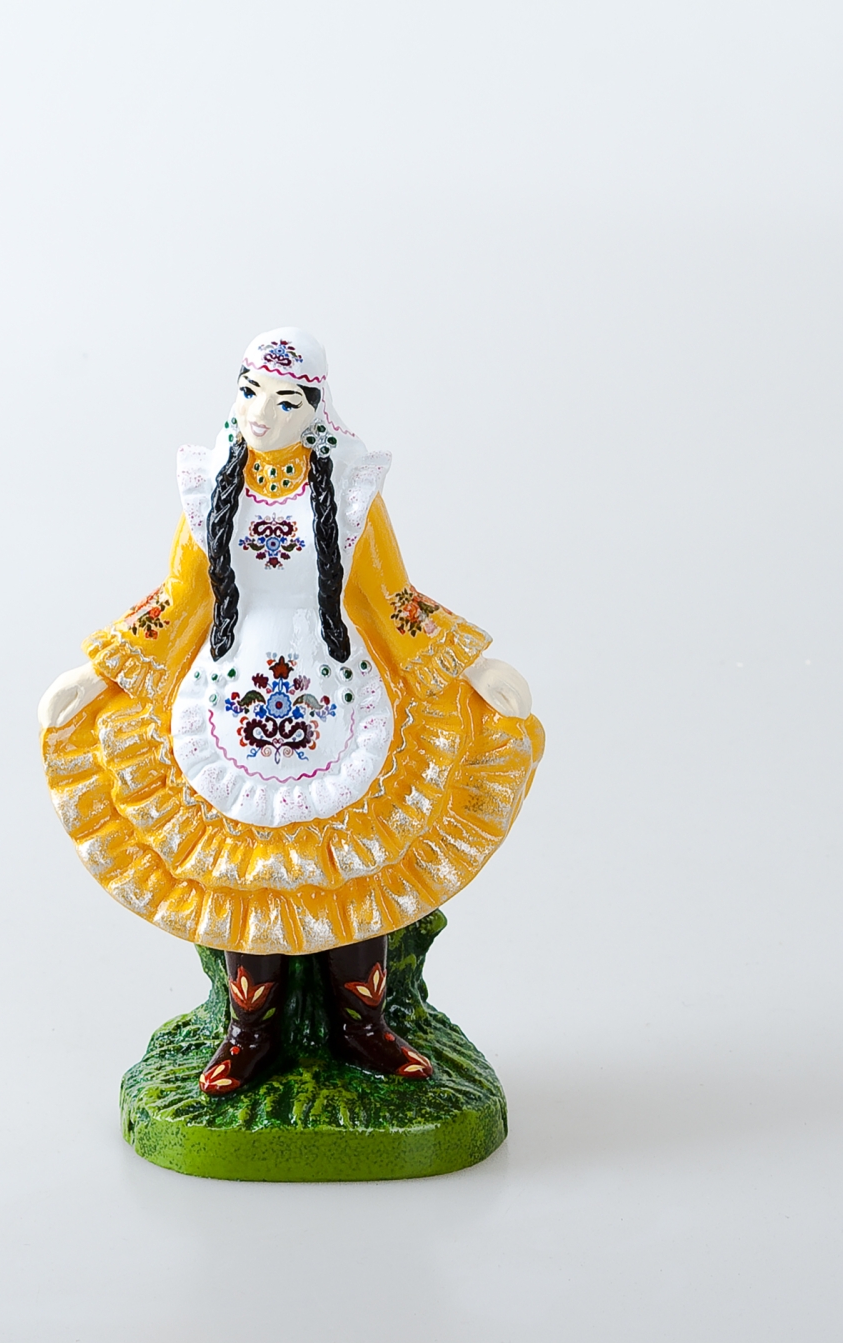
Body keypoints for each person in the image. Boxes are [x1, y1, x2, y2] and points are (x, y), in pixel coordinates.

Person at [39, 328, 543, 1096]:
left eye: (283, 401)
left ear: (315, 408)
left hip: (337, 692)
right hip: (229, 696)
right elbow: (181, 598)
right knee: (247, 872)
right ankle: (249, 1033)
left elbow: (390, 598)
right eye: (249, 394)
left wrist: (473, 663)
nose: (260, 414)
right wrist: (99, 666)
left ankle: (364, 1026)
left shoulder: (348, 490)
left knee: (352, 865)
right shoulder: (211, 483)